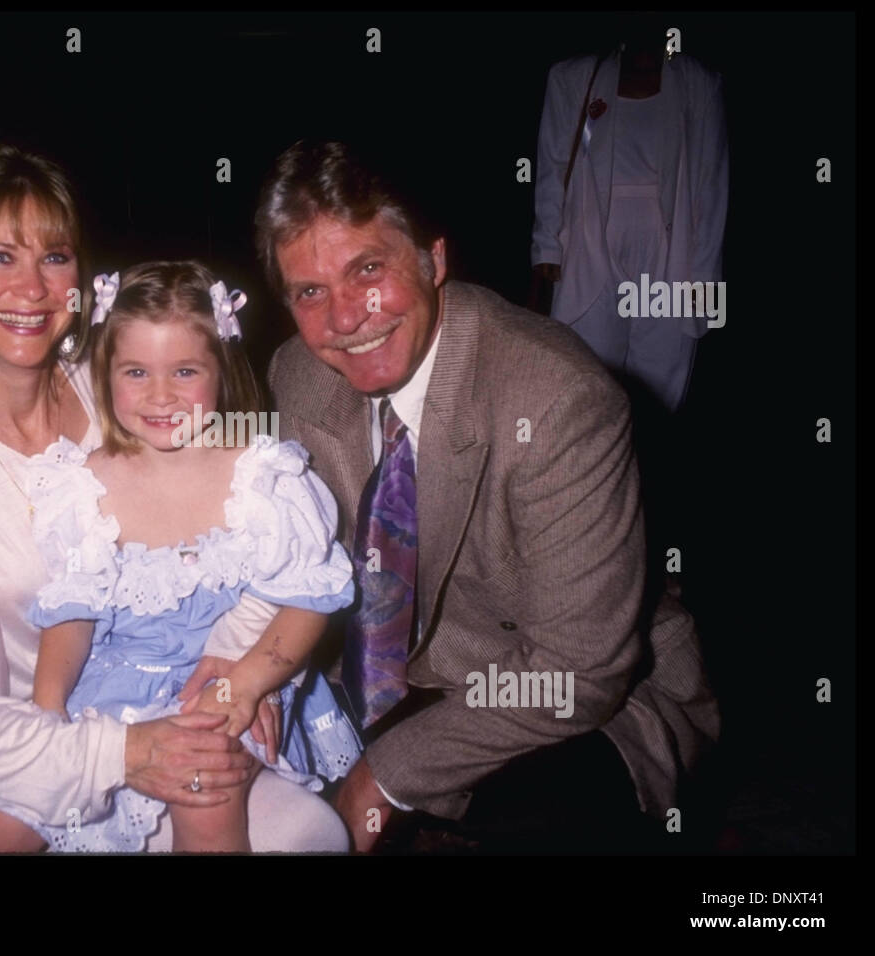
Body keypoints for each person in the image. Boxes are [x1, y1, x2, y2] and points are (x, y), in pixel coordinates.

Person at [0, 144, 348, 853]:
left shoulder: (119, 385)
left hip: (183, 712)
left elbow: (254, 536)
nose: (32, 286)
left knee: (313, 834)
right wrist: (121, 750)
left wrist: (242, 675)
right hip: (30, 762)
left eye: (54, 257)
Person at [254, 139, 721, 852]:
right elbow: (274, 559)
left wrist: (382, 775)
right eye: (310, 292)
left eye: (369, 270)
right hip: (378, 683)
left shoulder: (558, 399)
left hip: (568, 698)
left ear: (433, 260)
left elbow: (578, 674)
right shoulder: (296, 374)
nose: (345, 318)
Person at [0, 262, 361, 852]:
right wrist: (46, 715)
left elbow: (308, 601)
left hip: (224, 689)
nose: (160, 396)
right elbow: (73, 615)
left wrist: (248, 685)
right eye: (136, 372)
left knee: (203, 786)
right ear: (106, 373)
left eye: (184, 371)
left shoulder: (263, 477)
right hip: (113, 688)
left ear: (221, 370)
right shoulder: (84, 485)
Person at [530, 22, 729, 414]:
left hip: (673, 262)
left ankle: (648, 472)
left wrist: (705, 281)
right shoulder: (575, 78)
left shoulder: (697, 84)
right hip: (590, 253)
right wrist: (546, 243)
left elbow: (712, 183)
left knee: (657, 397)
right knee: (586, 391)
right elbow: (552, 163)